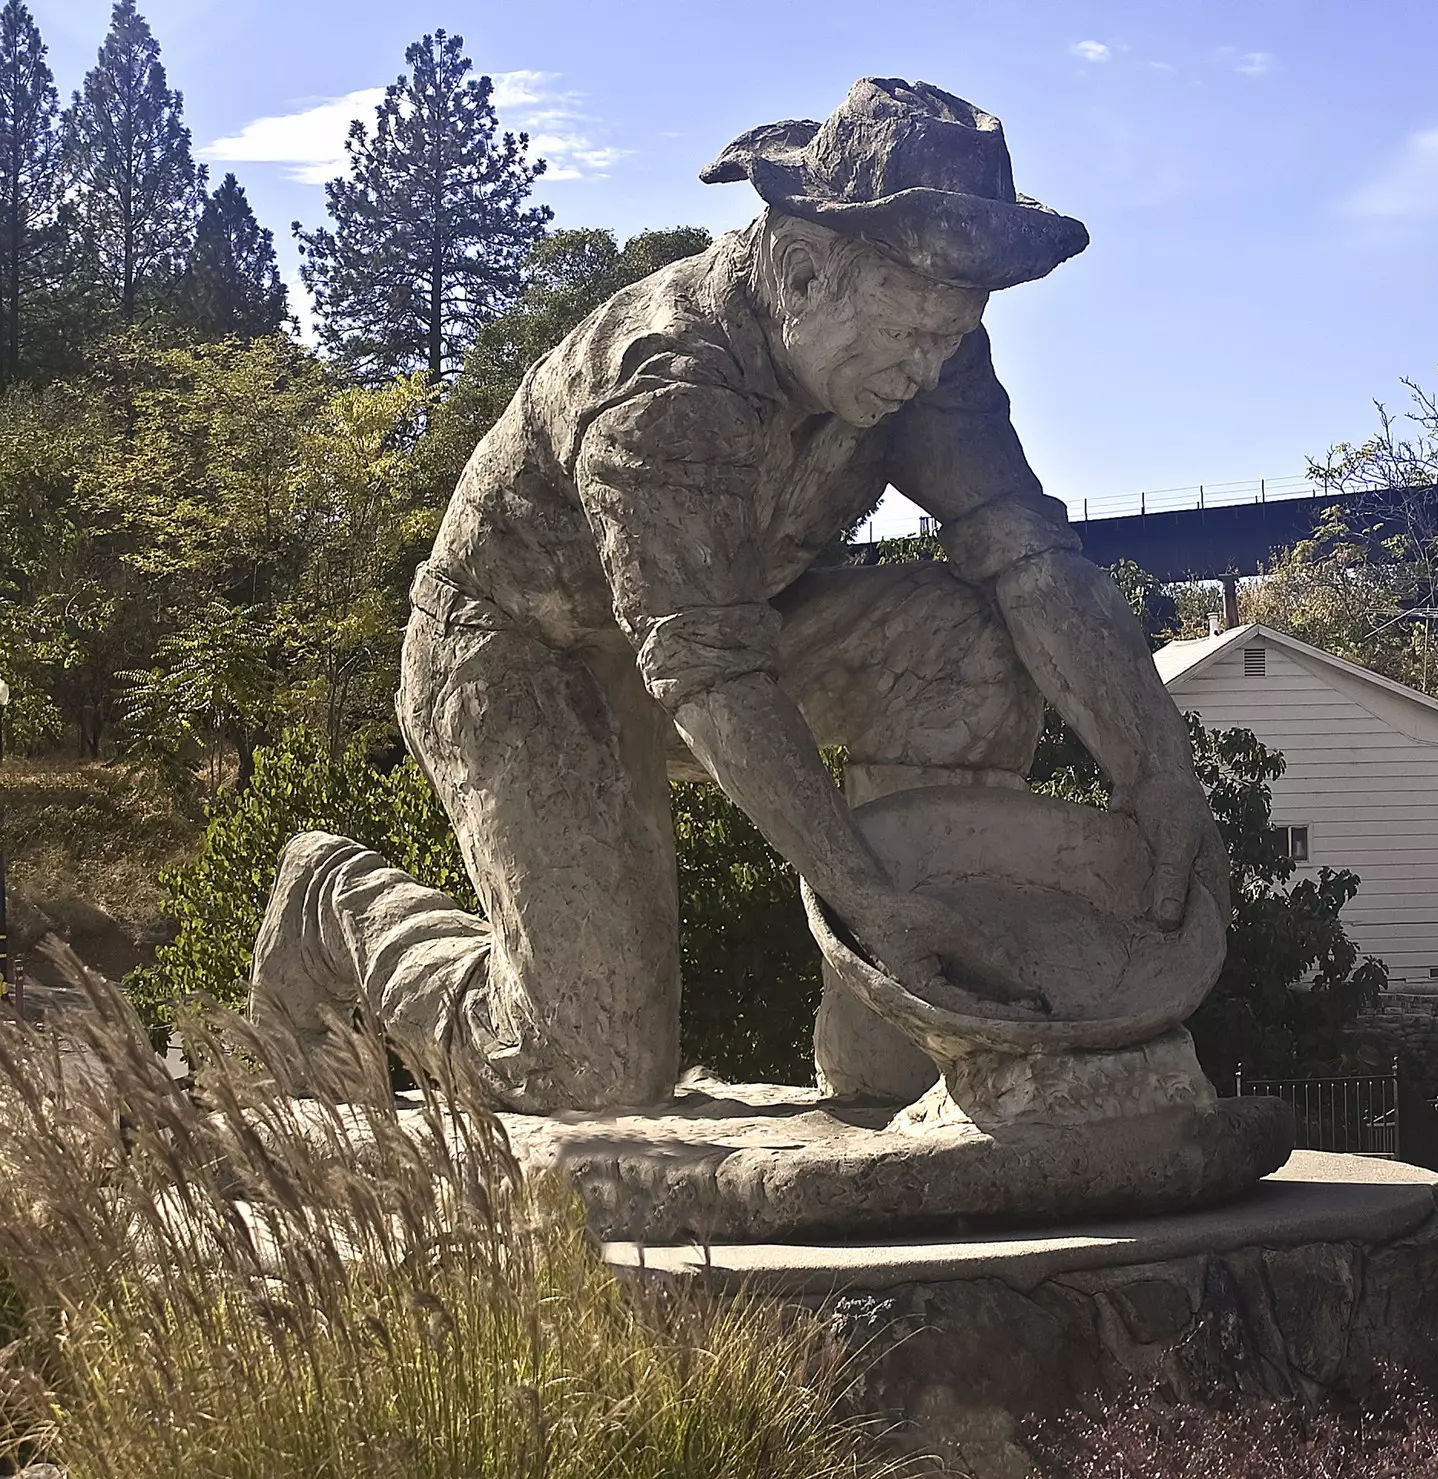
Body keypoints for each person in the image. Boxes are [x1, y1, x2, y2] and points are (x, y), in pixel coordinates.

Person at [252, 78, 1223, 1111]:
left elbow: (1030, 557)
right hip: (525, 658)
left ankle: (893, 1049)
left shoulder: (924, 345)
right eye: (906, 340)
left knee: (968, 642)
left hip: (738, 627)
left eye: (950, 338)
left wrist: (1160, 775)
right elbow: (704, 668)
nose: (929, 368)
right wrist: (863, 895)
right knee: (587, 1065)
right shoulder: (666, 385)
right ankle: (334, 905)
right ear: (803, 272)